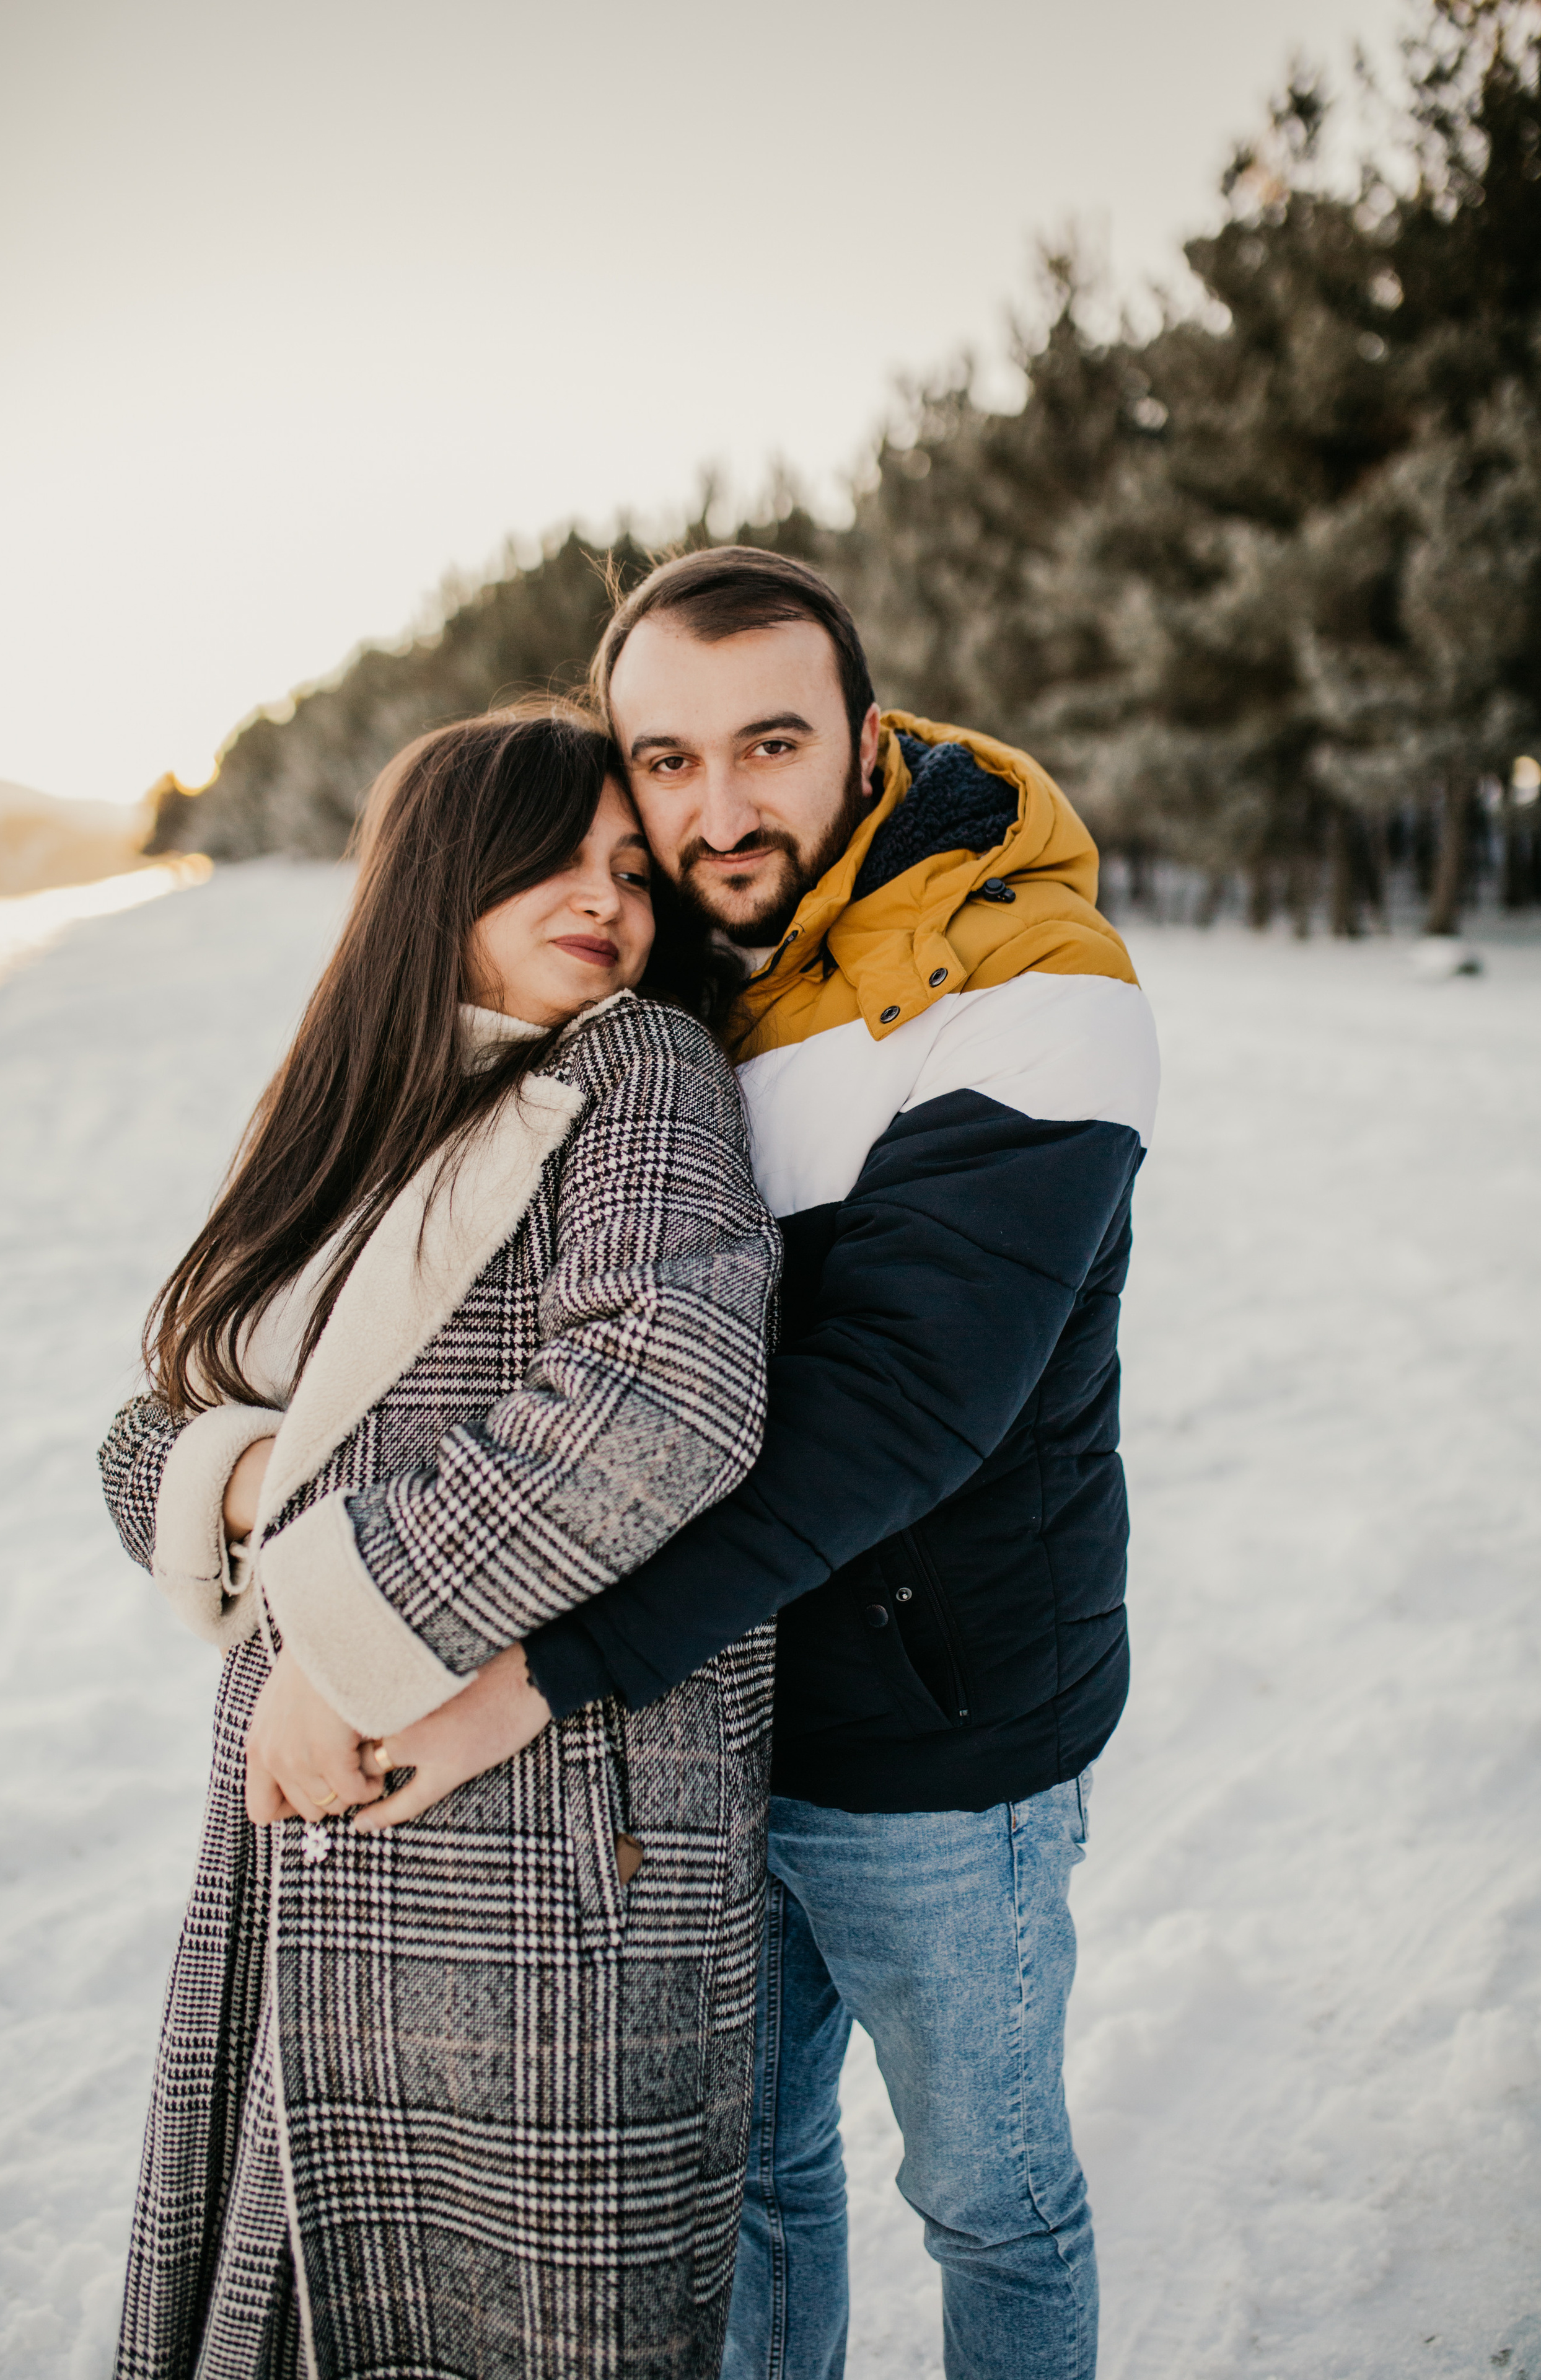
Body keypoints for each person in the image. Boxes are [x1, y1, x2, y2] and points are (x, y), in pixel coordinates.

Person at [450, 550, 1162, 2380]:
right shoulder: (661, 984)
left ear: (865, 732)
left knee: (988, 2196)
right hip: (711, 1727)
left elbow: (902, 1408)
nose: (718, 809)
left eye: (770, 744)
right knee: (750, 2185)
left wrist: (549, 1666)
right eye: (666, 759)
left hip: (940, 1748)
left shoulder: (1036, 982)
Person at [98, 706, 781, 2380]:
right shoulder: (358, 1120)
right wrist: (263, 1488)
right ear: (439, 874)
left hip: (547, 1854)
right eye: (555, 857)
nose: (607, 898)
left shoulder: (634, 1072)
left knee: (519, 2324)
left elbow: (668, 1395)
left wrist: (337, 1635)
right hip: (302, 1837)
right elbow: (147, 1436)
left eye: (632, 870)